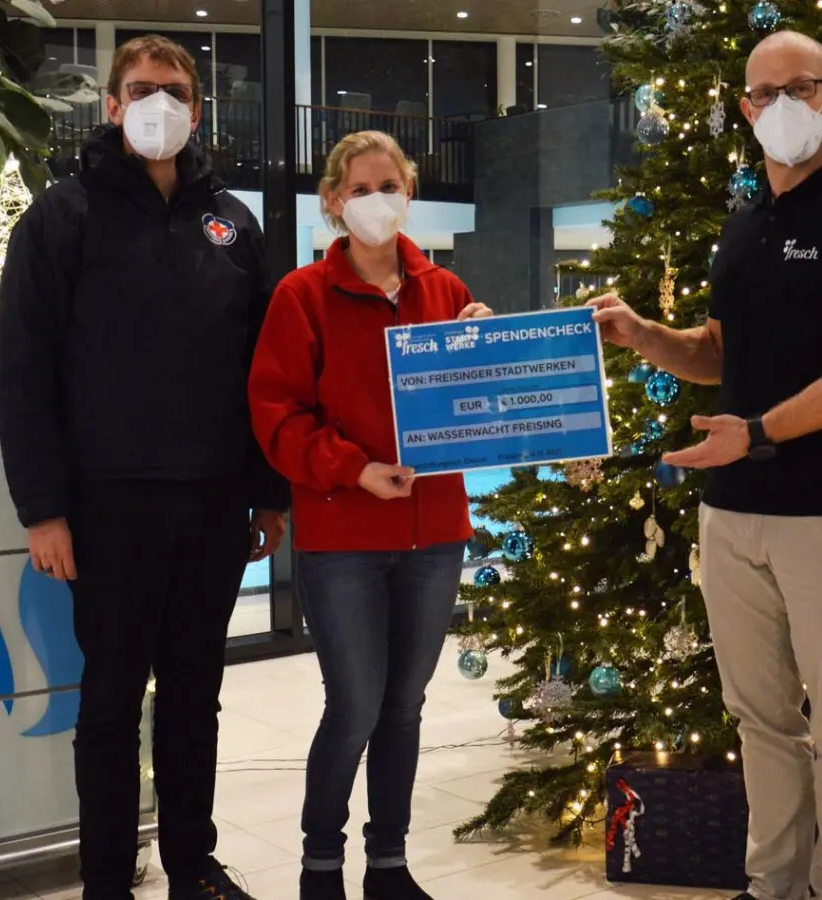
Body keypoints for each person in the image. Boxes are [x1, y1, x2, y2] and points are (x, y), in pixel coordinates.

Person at [588, 30, 822, 900]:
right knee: (760, 721)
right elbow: (718, 355)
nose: (781, 106)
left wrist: (761, 432)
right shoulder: (743, 228)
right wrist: (644, 335)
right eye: (764, 94)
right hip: (733, 513)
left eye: (799, 88)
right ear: (744, 109)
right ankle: (771, 885)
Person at [0, 34, 289, 900]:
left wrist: (269, 494)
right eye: (141, 88)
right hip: (107, 506)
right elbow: (25, 370)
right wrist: (43, 510)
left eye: (175, 90)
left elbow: (265, 371)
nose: (158, 103)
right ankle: (106, 883)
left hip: (215, 503)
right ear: (113, 105)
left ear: (196, 108)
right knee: (113, 702)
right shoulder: (63, 217)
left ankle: (192, 865)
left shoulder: (232, 223)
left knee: (196, 696)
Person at [248, 131, 491, 900]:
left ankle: (389, 865)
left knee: (403, 709)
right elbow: (277, 415)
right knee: (354, 706)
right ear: (332, 201)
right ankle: (321, 868)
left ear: (410, 193)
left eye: (390, 186)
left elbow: (470, 406)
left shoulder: (445, 291)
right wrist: (354, 469)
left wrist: (483, 347)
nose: (377, 200)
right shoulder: (301, 296)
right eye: (360, 189)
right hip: (344, 539)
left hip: (434, 537)